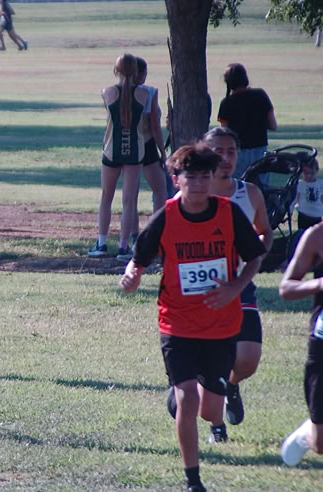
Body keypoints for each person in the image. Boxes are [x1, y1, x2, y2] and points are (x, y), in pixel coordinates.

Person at [120, 143, 266, 492]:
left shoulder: (229, 213)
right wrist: (132, 276)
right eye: (191, 177)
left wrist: (235, 287)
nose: (199, 184)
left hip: (221, 324)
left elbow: (255, 257)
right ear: (176, 180)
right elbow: (138, 258)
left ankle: (188, 392)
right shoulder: (166, 216)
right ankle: (193, 481)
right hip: (177, 323)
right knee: (189, 399)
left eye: (205, 177)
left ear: (212, 179)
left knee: (209, 411)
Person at [89, 53, 147, 261]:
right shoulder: (143, 94)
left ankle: (101, 243)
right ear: (136, 71)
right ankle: (123, 247)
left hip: (111, 151)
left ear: (116, 70)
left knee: (106, 197)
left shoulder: (107, 92)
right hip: (135, 152)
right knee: (129, 201)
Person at [278, 222, 323, 466]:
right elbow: (286, 288)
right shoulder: (316, 235)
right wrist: (319, 284)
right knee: (320, 444)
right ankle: (310, 432)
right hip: (322, 339)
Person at [130, 56, 168, 245]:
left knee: (131, 195)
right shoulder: (150, 92)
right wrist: (163, 152)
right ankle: (154, 233)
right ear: (142, 73)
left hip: (128, 146)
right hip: (147, 145)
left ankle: (133, 236)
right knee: (160, 190)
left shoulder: (118, 92)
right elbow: (154, 125)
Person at [217, 63, 277, 182]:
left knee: (238, 187)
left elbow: (225, 134)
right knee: (261, 189)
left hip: (238, 153)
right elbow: (273, 125)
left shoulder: (226, 103)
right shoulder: (260, 95)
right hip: (260, 151)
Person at [292, 158, 323, 231]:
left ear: (317, 171)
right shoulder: (300, 184)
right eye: (306, 173)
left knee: (316, 235)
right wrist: (291, 210)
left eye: (312, 173)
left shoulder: (320, 184)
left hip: (317, 216)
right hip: (304, 215)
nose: (309, 176)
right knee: (303, 234)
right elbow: (294, 199)